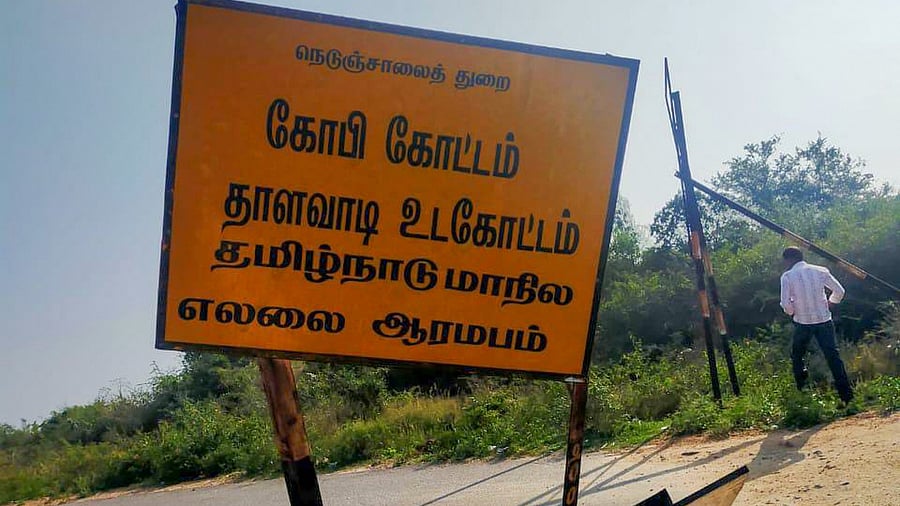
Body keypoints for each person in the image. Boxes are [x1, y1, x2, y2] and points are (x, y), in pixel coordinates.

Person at [779, 246, 853, 403]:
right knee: (833, 357)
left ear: (789, 259)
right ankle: (847, 397)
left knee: (798, 356)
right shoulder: (821, 271)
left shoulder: (787, 276)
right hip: (824, 320)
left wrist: (792, 311)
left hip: (803, 322)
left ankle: (804, 394)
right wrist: (830, 303)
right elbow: (839, 291)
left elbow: (786, 305)